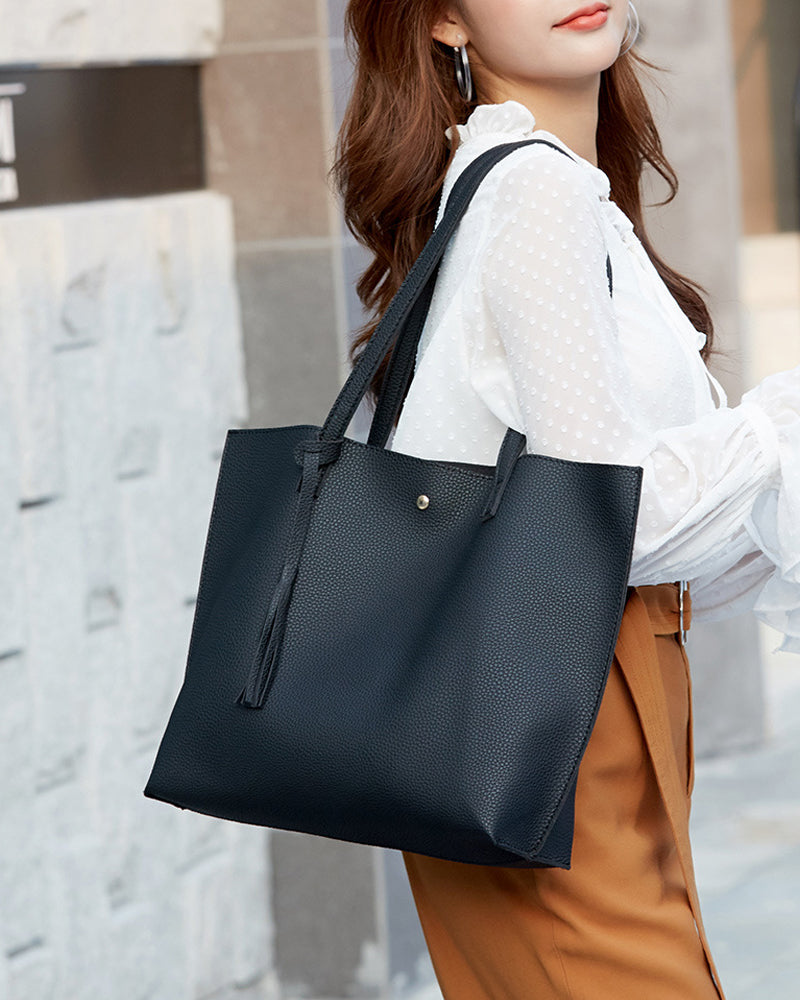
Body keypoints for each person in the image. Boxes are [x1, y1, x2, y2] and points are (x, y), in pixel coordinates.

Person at [333, 2, 800, 997]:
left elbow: (610, 535)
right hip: (557, 738)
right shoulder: (532, 193)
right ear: (445, 24)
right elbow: (609, 514)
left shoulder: (539, 188)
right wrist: (778, 423)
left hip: (546, 722)